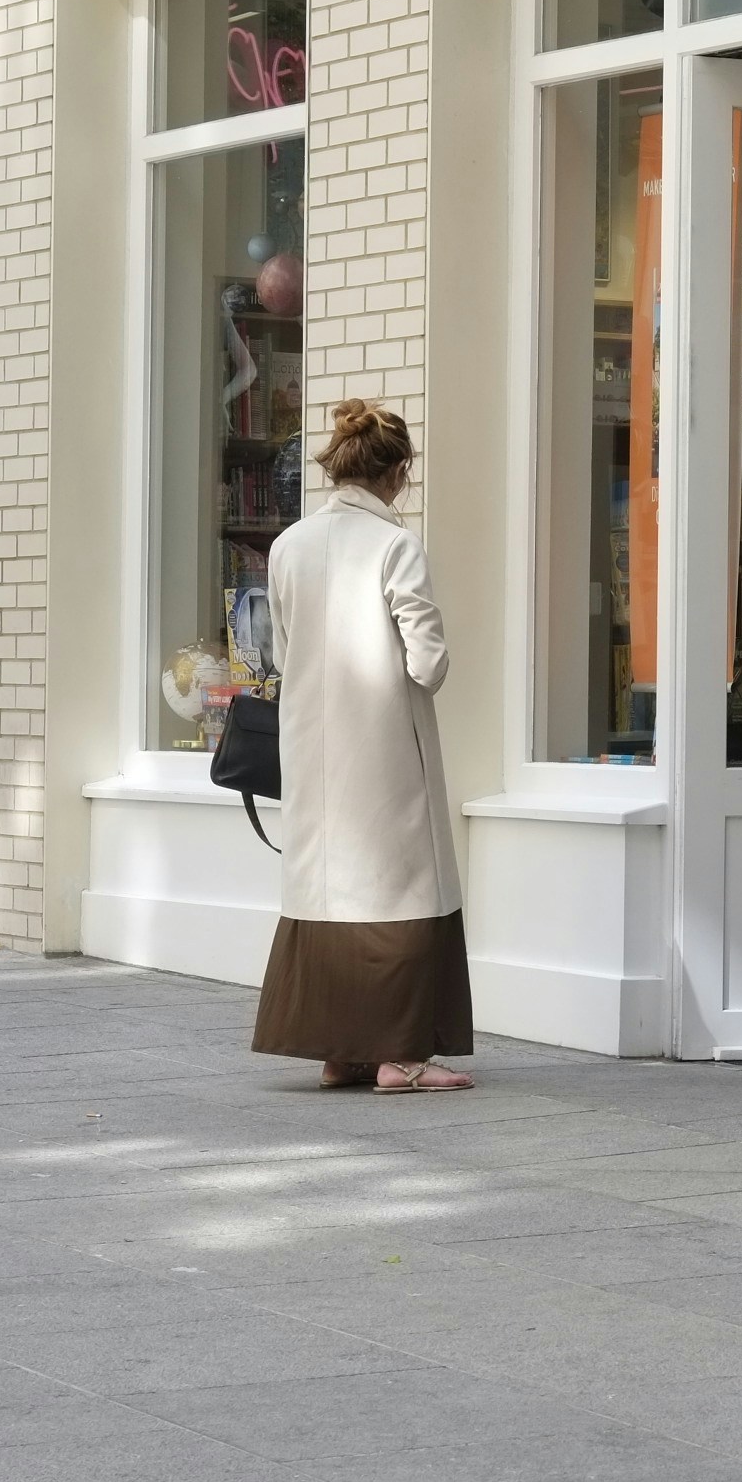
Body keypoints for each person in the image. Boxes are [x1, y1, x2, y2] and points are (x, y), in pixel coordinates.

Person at [251, 399, 475, 1092]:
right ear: (399, 471)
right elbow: (427, 661)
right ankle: (400, 1056)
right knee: (400, 886)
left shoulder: (289, 544)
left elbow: (282, 652)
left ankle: (339, 1050)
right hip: (383, 743)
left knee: (325, 888)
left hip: (311, 742)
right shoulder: (395, 546)